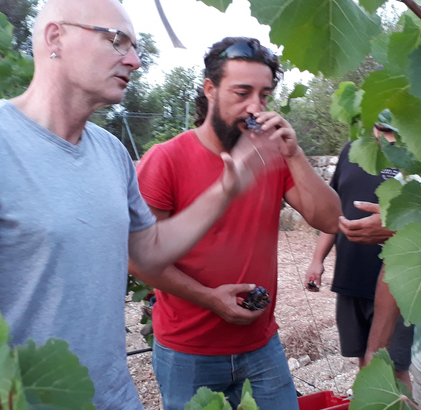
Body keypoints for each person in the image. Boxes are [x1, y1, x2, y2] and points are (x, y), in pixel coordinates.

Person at [0, 0, 265, 410]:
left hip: (114, 399)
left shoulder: (110, 152)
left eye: (136, 48)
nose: (134, 60)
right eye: (117, 40)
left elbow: (148, 255)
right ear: (55, 38)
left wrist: (226, 188)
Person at [130, 37, 342, 410]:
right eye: (242, 92)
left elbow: (329, 219)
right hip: (187, 352)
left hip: (262, 346)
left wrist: (294, 154)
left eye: (264, 95)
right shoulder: (166, 159)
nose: (255, 108)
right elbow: (139, 260)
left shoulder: (271, 157)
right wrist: (209, 298)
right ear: (210, 90)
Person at [305, 111, 414, 388]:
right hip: (350, 276)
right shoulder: (351, 151)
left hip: (396, 281)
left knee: (393, 370)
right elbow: (334, 212)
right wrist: (317, 260)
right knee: (364, 364)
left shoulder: (413, 154)